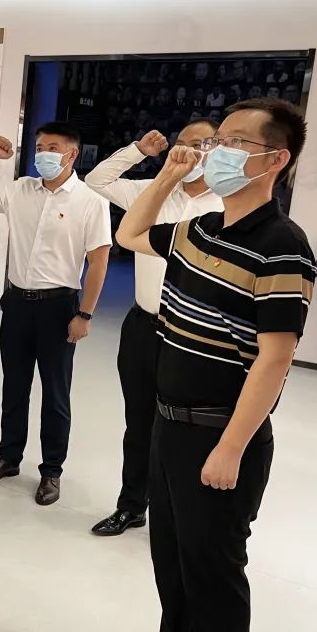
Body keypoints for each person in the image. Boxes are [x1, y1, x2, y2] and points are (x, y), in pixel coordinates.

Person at [116, 98, 314, 632]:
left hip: (221, 433)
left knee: (213, 572)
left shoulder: (283, 246)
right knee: (171, 557)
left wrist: (231, 448)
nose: (217, 152)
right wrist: (167, 176)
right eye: (216, 141)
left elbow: (275, 359)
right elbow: (130, 234)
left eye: (234, 142)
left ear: (275, 159)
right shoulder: (197, 230)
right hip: (169, 425)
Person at [84, 121, 224, 536]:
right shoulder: (151, 192)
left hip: (195, 334)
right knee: (139, 422)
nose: (193, 152)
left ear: (218, 150)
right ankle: (132, 505)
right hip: (144, 325)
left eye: (203, 144)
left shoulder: (228, 203)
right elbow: (96, 181)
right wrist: (140, 151)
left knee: (187, 428)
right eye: (185, 144)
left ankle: (181, 512)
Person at [0, 122, 112, 505]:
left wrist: (85, 314)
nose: (44, 154)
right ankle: (8, 457)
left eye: (53, 147)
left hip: (59, 307)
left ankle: (52, 471)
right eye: (40, 147)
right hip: (16, 302)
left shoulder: (90, 202)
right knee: (14, 386)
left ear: (72, 154)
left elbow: (98, 262)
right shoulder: (20, 190)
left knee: (55, 393)